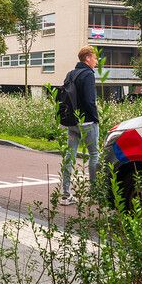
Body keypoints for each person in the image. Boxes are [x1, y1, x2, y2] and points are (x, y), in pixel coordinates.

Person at [60, 45, 99, 206]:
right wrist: (96, 117)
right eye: (95, 58)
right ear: (88, 58)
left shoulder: (71, 74)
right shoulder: (88, 74)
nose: (96, 61)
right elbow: (90, 100)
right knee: (94, 155)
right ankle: (94, 193)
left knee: (70, 155)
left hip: (71, 121)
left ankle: (65, 194)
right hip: (87, 121)